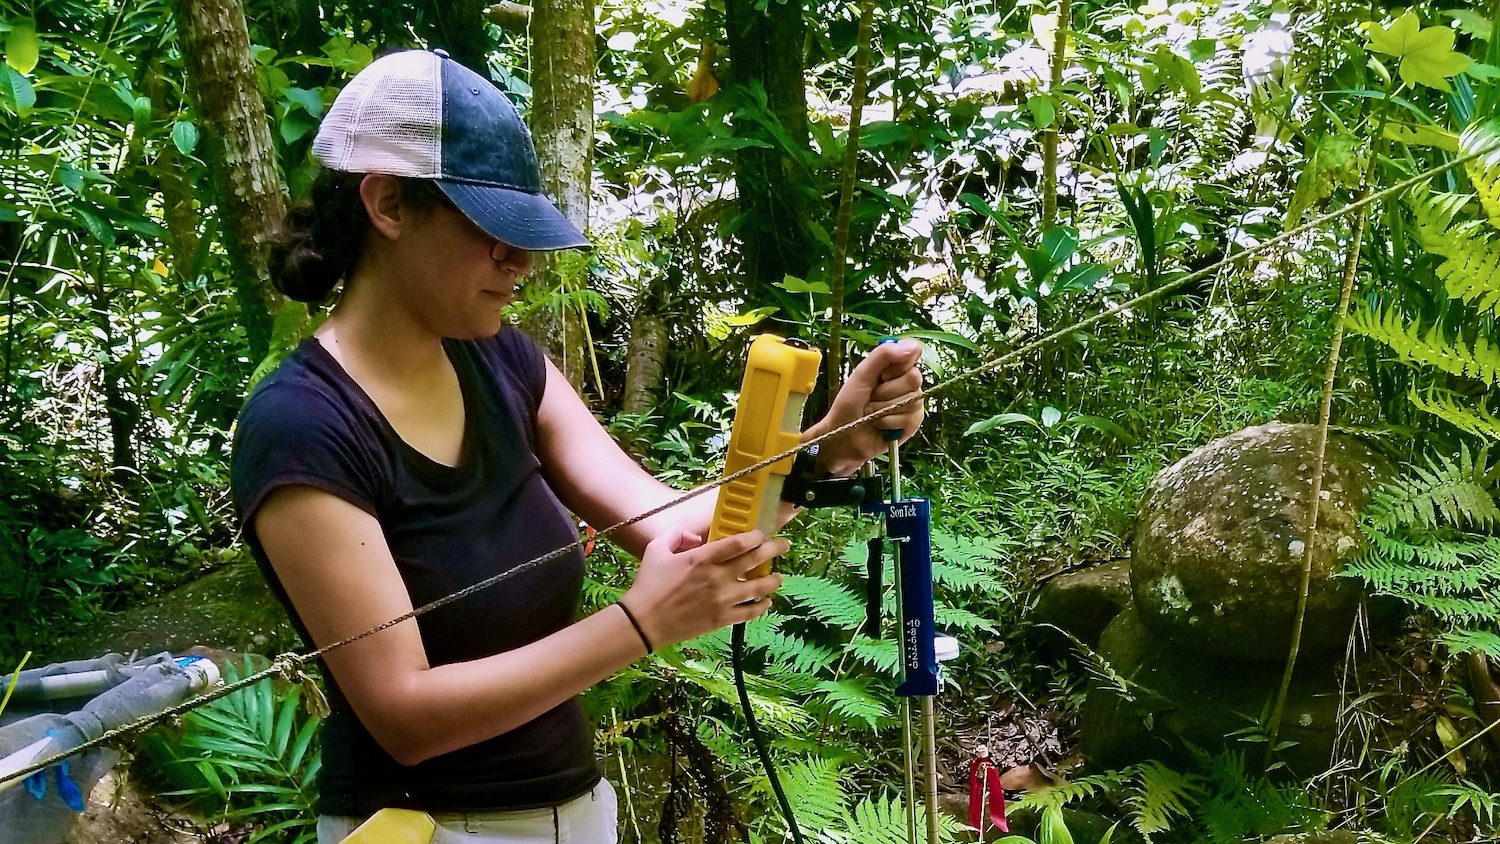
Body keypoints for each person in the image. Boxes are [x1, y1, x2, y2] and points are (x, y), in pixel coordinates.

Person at [230, 48, 925, 844]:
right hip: (421, 830)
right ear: (388, 204)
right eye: (493, 233)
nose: (520, 263)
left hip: (572, 814)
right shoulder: (304, 426)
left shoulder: (502, 361)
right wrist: (638, 625)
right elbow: (404, 713)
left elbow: (678, 524)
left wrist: (829, 448)